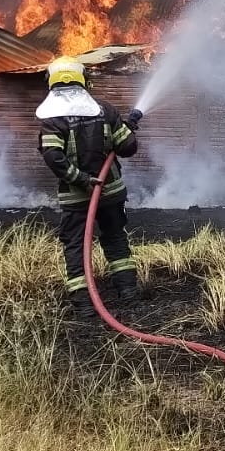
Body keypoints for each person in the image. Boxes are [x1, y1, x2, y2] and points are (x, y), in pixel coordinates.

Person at [37, 56, 144, 318]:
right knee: (115, 237)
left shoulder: (53, 120)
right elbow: (128, 148)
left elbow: (53, 156)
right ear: (85, 82)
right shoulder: (104, 111)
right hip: (110, 194)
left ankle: (84, 304)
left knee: (76, 245)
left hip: (76, 198)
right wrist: (125, 131)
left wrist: (82, 180)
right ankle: (127, 291)